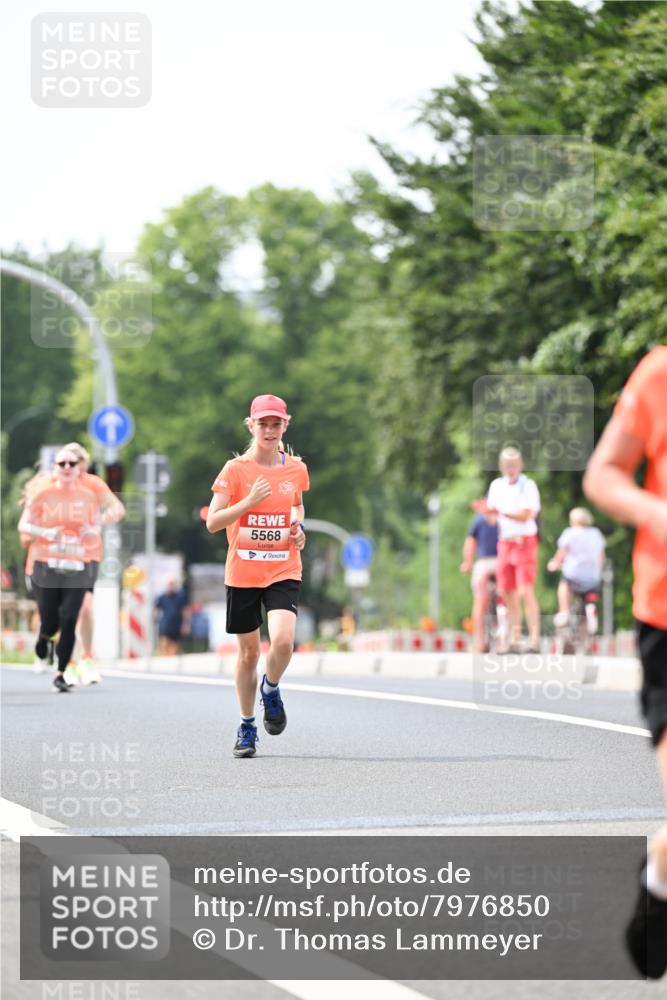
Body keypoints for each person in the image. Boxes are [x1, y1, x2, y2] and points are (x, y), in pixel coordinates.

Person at [583, 345, 667, 978]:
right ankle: (662, 880)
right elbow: (604, 472)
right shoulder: (660, 372)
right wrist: (654, 512)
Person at [206, 394, 308, 758]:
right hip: (244, 572)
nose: (269, 429)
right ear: (251, 426)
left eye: (276, 423)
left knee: (282, 642)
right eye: (263, 423)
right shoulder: (235, 471)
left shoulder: (296, 468)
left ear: (285, 425)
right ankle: (247, 725)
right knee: (249, 654)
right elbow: (213, 522)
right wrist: (248, 502)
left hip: (283, 567)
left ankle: (271, 688)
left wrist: (299, 529)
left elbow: (296, 505)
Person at [20, 443, 125, 684]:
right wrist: (42, 535)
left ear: (83, 465)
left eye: (76, 462)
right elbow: (26, 527)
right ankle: (57, 650)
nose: (70, 467)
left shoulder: (93, 484)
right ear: (56, 465)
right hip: (47, 559)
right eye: (64, 462)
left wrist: (97, 522)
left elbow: (117, 509)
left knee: (82, 608)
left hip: (85, 556)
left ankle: (83, 660)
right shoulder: (47, 487)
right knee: (53, 614)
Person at [477, 447, 541, 652]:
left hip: (524, 541)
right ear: (501, 466)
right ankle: (514, 638)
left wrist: (501, 512)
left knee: (525, 590)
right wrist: (485, 511)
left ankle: (534, 639)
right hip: (505, 541)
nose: (511, 469)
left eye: (514, 465)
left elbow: (526, 515)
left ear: (520, 466)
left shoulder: (528, 486)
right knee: (506, 592)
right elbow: (495, 518)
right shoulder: (496, 486)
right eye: (507, 466)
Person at [547, 507, 605, 632]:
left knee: (564, 585)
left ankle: (564, 611)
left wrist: (555, 564)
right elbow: (602, 557)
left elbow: (561, 554)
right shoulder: (596, 533)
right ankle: (590, 615)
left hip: (574, 575)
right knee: (588, 598)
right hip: (593, 577)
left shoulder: (570, 533)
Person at [460, 510, 499, 653]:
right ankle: (506, 640)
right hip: (502, 564)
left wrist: (467, 563)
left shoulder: (479, 520)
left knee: (479, 604)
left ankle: (480, 643)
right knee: (509, 599)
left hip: (484, 563)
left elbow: (470, 543)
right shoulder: (506, 517)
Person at [155, 578, 189, 655]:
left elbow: (185, 611)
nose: (170, 586)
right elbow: (156, 609)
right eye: (169, 584)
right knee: (164, 645)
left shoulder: (180, 597)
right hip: (165, 626)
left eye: (172, 584)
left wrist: (186, 624)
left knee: (175, 648)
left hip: (176, 626)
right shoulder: (162, 597)